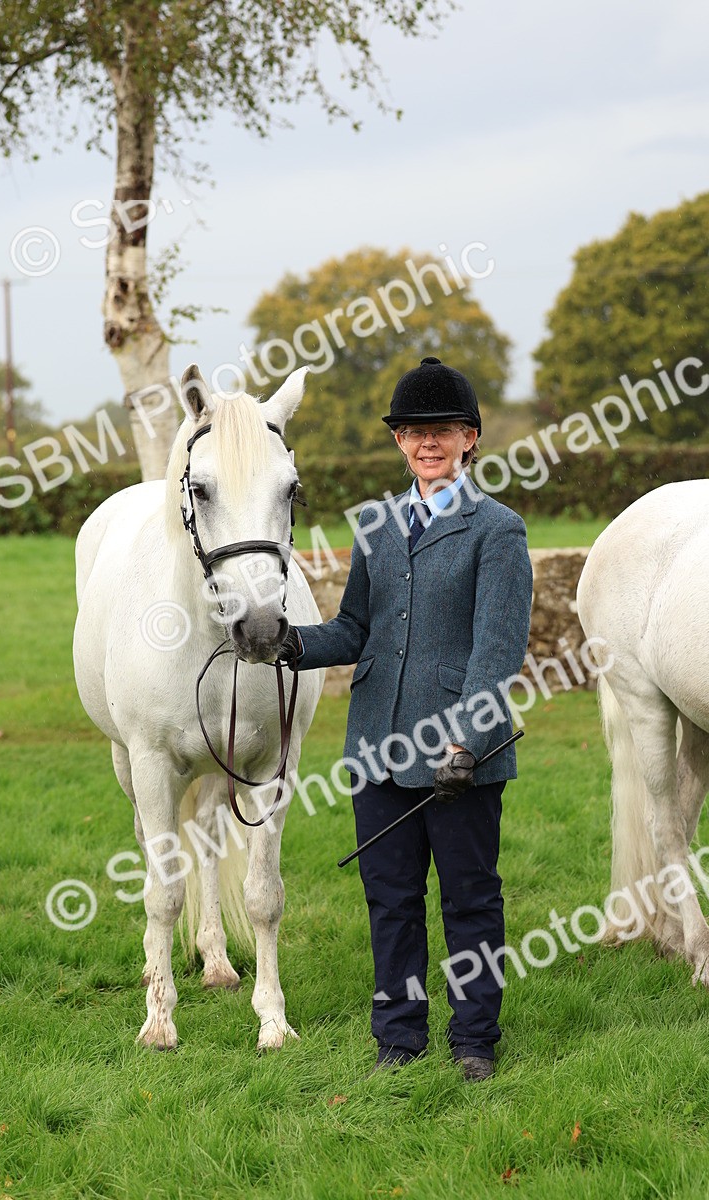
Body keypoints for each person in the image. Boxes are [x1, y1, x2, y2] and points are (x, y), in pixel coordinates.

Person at [279, 356, 533, 1082]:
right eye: (415, 432)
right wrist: (291, 644)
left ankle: (475, 1037)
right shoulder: (376, 525)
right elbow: (354, 627)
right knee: (390, 899)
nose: (429, 443)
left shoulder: (499, 530)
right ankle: (398, 1034)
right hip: (377, 747)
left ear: (470, 439)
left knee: (470, 899)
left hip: (460, 756)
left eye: (444, 431)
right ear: (399, 442)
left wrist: (467, 742)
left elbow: (497, 650)